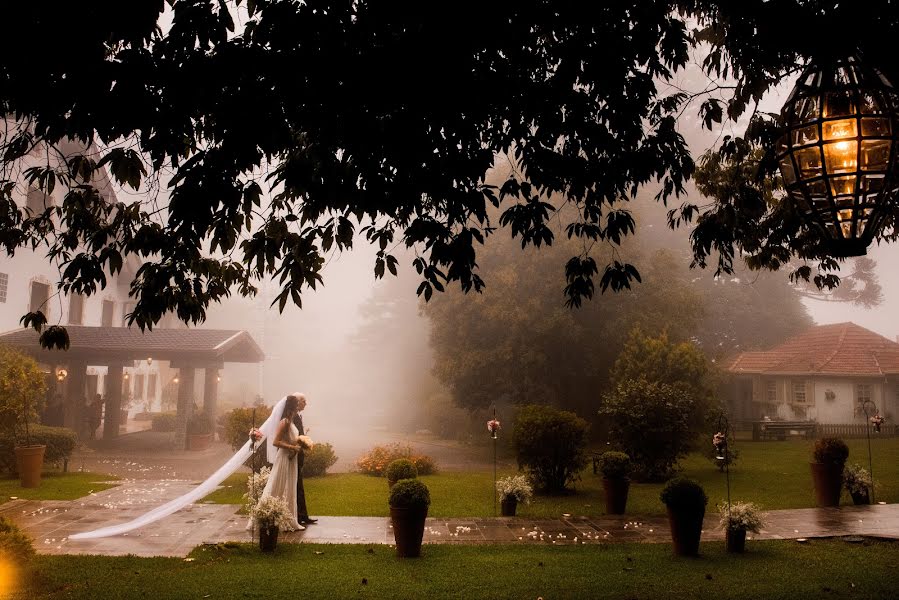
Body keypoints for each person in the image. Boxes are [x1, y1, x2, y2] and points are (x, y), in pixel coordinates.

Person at [257, 394, 305, 531]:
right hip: (284, 458)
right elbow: (275, 442)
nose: (299, 407)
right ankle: (266, 515)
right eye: (297, 405)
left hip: (291, 459)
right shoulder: (284, 421)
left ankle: (289, 519)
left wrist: (299, 444)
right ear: (292, 406)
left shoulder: (291, 421)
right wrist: (292, 447)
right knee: (278, 484)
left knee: (290, 487)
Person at [290, 392, 317, 525]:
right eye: (303, 401)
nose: (306, 403)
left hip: (298, 455)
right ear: (297, 402)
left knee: (299, 485)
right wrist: (301, 443)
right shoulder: (292, 416)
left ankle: (302, 515)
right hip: (293, 456)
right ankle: (300, 515)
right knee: (296, 485)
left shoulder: (297, 416)